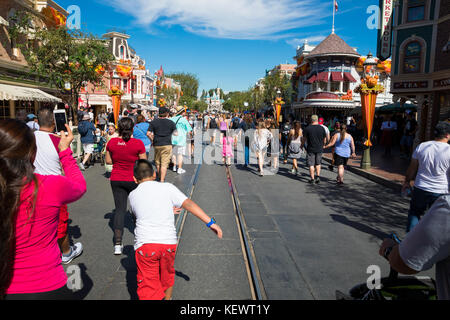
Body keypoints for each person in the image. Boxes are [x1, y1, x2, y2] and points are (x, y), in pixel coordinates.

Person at [1, 119, 86, 299]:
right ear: (32, 153)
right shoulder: (48, 186)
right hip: (47, 284)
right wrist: (65, 152)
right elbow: (79, 186)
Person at [129, 159, 223, 300]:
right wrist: (210, 223)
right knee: (167, 276)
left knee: (148, 285)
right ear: (154, 174)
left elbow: (139, 215)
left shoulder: (132, 195)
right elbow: (188, 204)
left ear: (134, 179)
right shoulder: (167, 187)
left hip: (146, 245)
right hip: (168, 243)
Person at [34, 108, 83, 264]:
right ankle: (67, 252)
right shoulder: (58, 140)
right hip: (54, 187)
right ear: (54, 123)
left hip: (33, 184)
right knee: (60, 222)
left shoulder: (28, 138)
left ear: (37, 122)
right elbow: (66, 165)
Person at [379, 194, 450, 300]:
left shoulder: (448, 207)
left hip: (423, 189)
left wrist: (388, 249)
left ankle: (411, 239)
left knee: (415, 212)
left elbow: (404, 263)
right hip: (436, 192)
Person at [105, 117, 147, 255]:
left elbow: (108, 161)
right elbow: (143, 163)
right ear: (132, 128)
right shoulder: (138, 143)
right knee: (137, 209)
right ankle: (139, 240)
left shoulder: (112, 142)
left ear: (119, 129)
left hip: (116, 178)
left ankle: (117, 243)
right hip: (133, 179)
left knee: (119, 210)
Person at [402, 121, 450, 232]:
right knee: (436, 218)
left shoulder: (422, 146)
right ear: (447, 135)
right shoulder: (448, 150)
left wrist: (406, 181)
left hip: (420, 187)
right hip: (441, 190)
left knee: (414, 213)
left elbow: (412, 168)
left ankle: (410, 239)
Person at [147, 107, 177, 182]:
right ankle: (162, 180)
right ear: (167, 113)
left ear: (159, 113)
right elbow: (176, 133)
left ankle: (160, 176)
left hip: (157, 144)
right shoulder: (171, 122)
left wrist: (152, 140)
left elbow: (148, 134)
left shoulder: (154, 122)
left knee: (157, 162)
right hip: (167, 144)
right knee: (164, 163)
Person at [302, 115, 327, 184]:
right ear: (317, 120)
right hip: (319, 148)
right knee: (318, 163)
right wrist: (324, 145)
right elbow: (325, 139)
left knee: (311, 164)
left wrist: (301, 145)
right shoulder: (322, 128)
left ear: (311, 120)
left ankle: (312, 179)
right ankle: (318, 176)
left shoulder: (307, 128)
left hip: (310, 148)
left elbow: (304, 139)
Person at [170, 106, 192, 174]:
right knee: (180, 154)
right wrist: (190, 135)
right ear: (182, 112)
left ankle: (174, 167)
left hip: (173, 138)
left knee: (174, 153)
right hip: (181, 139)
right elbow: (189, 130)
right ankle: (179, 168)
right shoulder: (183, 120)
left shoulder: (172, 119)